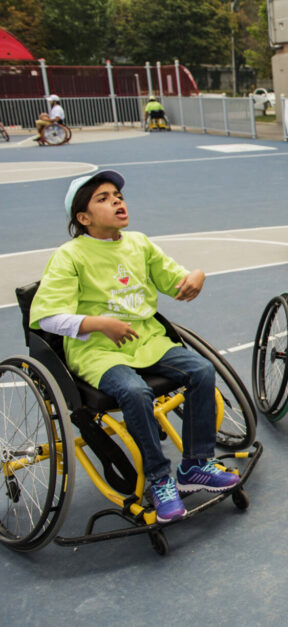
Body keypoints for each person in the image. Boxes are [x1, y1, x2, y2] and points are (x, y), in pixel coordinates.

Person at [29, 171, 239, 524]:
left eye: (117, 195)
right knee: (135, 392)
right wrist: (98, 323)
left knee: (201, 370)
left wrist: (197, 276)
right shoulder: (70, 256)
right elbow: (48, 317)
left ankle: (196, 466)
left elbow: (176, 282)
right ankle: (159, 480)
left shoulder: (139, 244)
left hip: (147, 341)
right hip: (97, 351)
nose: (116, 201)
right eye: (103, 198)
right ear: (83, 218)